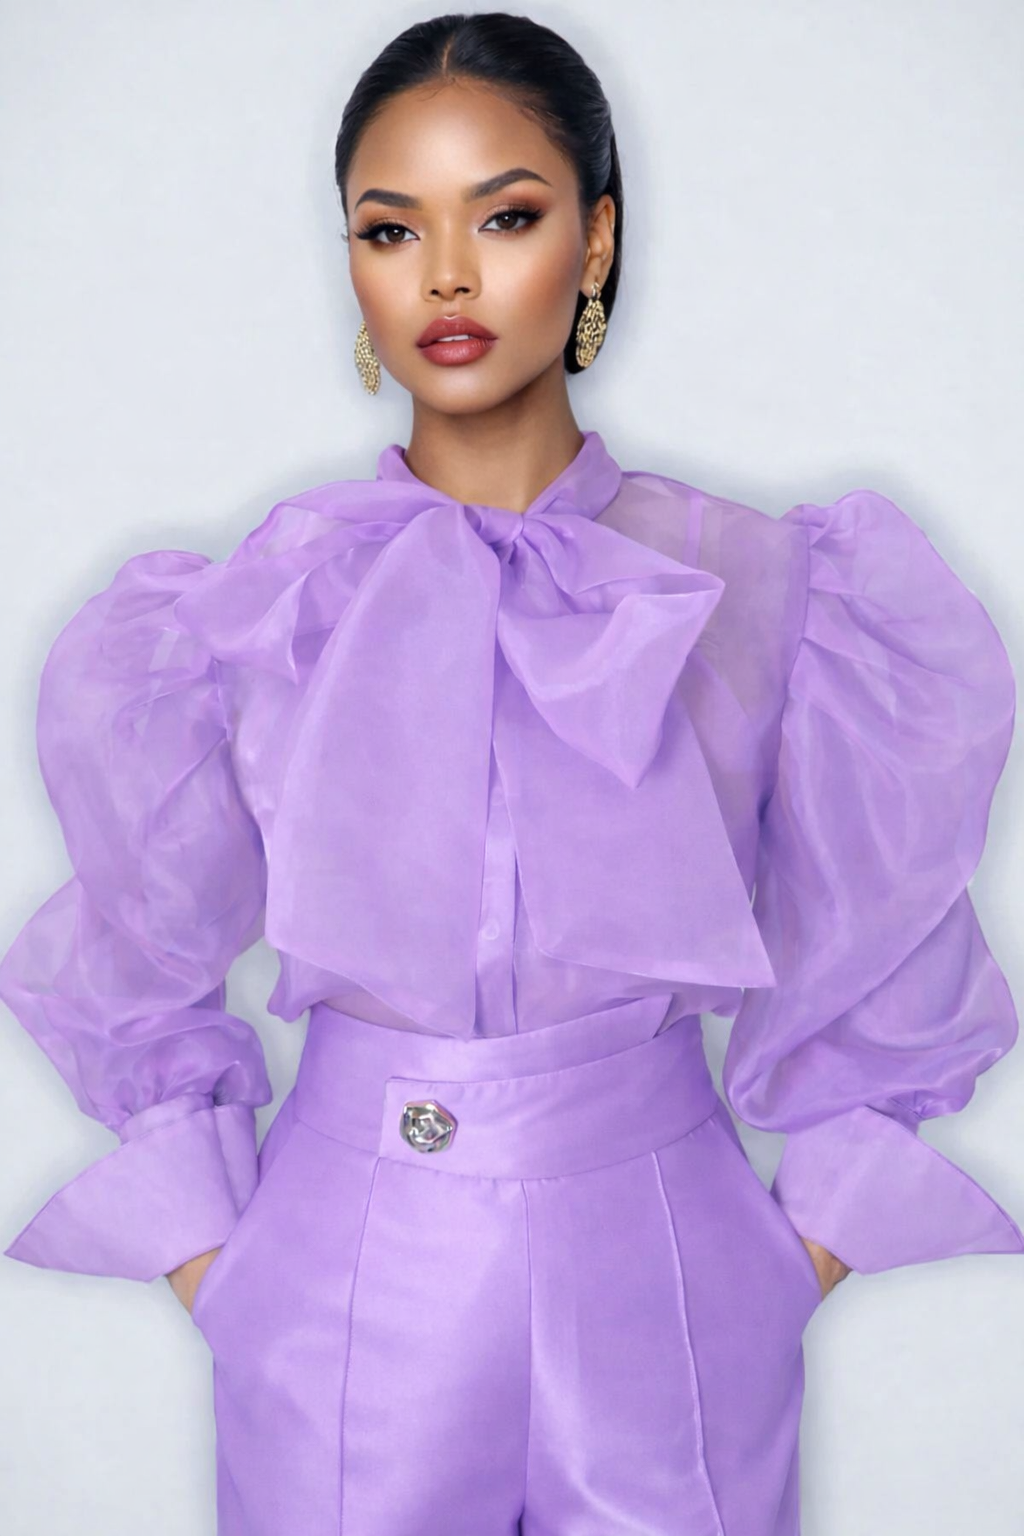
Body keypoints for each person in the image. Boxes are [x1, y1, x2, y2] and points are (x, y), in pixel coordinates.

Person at [2, 12, 1021, 1535]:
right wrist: (222, 1254)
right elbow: (134, 950)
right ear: (350, 259)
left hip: (669, 1256)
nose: (450, 277)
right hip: (344, 1263)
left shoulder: (760, 582)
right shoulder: (259, 606)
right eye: (391, 228)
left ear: (596, 240)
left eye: (511, 215)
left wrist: (789, 1254)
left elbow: (891, 930)